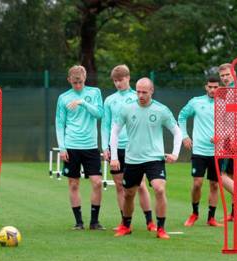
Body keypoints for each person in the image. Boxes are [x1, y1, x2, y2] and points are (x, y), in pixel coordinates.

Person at [111, 78, 181, 239]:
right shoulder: (126, 109)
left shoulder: (161, 110)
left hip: (154, 158)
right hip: (132, 159)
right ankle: (126, 226)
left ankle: (161, 228)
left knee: (159, 188)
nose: (141, 95)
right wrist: (114, 157)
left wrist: (175, 153)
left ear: (151, 91)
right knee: (129, 194)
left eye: (144, 92)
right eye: (138, 91)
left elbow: (177, 132)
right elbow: (114, 132)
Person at [101, 65, 155, 232]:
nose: (118, 83)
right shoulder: (110, 100)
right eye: (115, 81)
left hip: (136, 148)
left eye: (121, 80)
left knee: (141, 185)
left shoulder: (137, 96)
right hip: (116, 149)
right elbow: (105, 125)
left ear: (128, 78)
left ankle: (150, 222)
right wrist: (105, 147)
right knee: (119, 186)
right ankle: (125, 222)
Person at [55, 65, 105, 230]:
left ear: (85, 79)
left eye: (81, 82)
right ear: (69, 80)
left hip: (90, 146)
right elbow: (59, 124)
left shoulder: (94, 92)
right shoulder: (63, 98)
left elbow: (99, 114)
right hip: (71, 146)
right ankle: (79, 222)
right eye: (75, 82)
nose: (78, 86)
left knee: (97, 183)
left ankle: (94, 222)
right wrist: (62, 148)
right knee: (73, 184)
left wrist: (83, 103)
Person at [180, 76, 222, 227]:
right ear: (206, 87)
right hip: (199, 150)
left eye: (215, 87)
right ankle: (194, 213)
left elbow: (231, 125)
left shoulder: (224, 104)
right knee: (197, 183)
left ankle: (211, 218)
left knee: (215, 185)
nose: (212, 90)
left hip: (218, 151)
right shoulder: (196, 102)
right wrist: (184, 136)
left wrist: (221, 136)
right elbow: (182, 116)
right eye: (210, 87)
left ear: (220, 87)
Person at [217, 63, 237, 221]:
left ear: (234, 74)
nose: (224, 78)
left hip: (235, 138)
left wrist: (231, 137)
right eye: (222, 75)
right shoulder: (230, 90)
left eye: (227, 75)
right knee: (232, 175)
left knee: (220, 174)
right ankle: (235, 212)